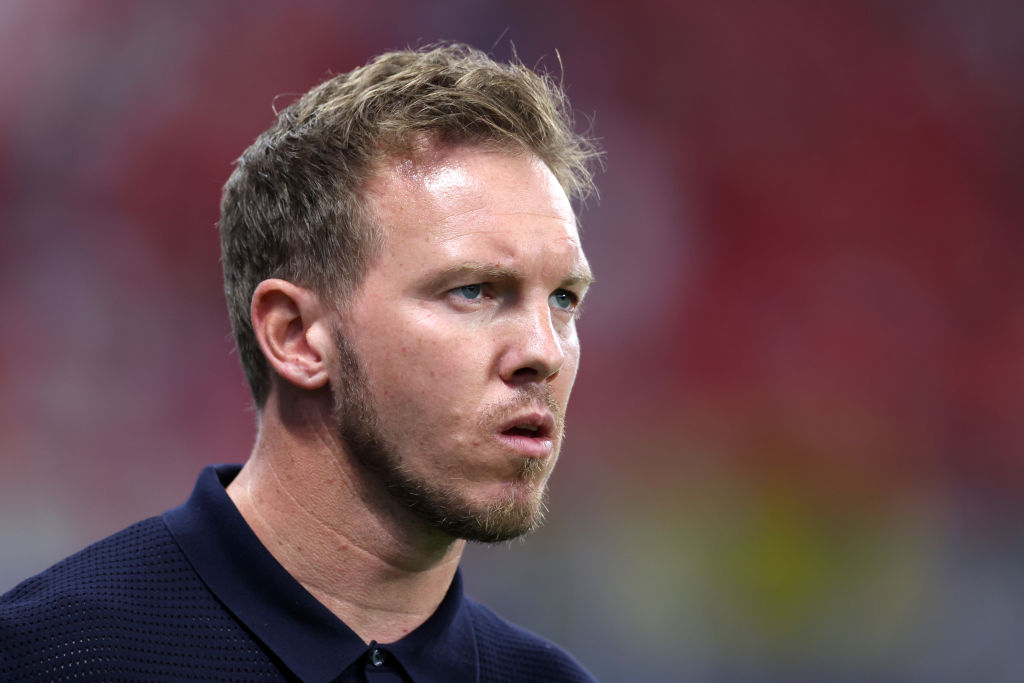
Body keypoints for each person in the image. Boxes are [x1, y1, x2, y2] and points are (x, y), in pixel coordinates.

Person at [0, 43, 599, 681]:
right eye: (474, 291)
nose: (543, 350)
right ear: (296, 336)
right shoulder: (53, 656)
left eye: (564, 298)